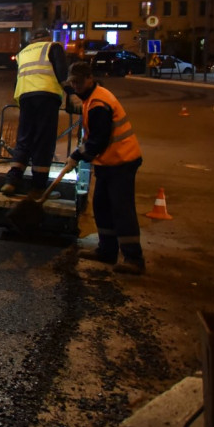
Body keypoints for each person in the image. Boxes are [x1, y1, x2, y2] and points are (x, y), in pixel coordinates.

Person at [65, 62, 145, 274]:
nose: (76, 86)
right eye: (73, 82)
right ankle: (107, 250)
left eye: (79, 82)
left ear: (90, 78)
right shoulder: (90, 99)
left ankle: (134, 259)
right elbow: (92, 139)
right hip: (108, 163)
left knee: (122, 209)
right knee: (102, 206)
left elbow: (98, 140)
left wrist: (76, 157)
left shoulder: (99, 102)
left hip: (122, 161)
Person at [1, 28, 68, 196]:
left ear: (32, 40)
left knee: (24, 138)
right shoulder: (53, 47)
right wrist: (72, 94)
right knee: (43, 140)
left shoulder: (23, 52)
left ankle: (12, 181)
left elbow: (17, 79)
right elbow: (62, 73)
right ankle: (38, 187)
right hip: (47, 95)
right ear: (47, 37)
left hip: (25, 97)